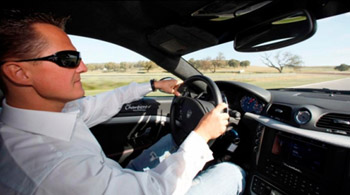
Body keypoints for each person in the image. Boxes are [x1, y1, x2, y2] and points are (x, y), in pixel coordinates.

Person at [0, 10, 245, 195]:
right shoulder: (53, 168)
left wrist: (153, 85)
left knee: (173, 139)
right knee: (229, 173)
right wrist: (202, 136)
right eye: (68, 59)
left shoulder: (49, 115)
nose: (83, 67)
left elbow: (103, 102)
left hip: (116, 178)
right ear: (19, 73)